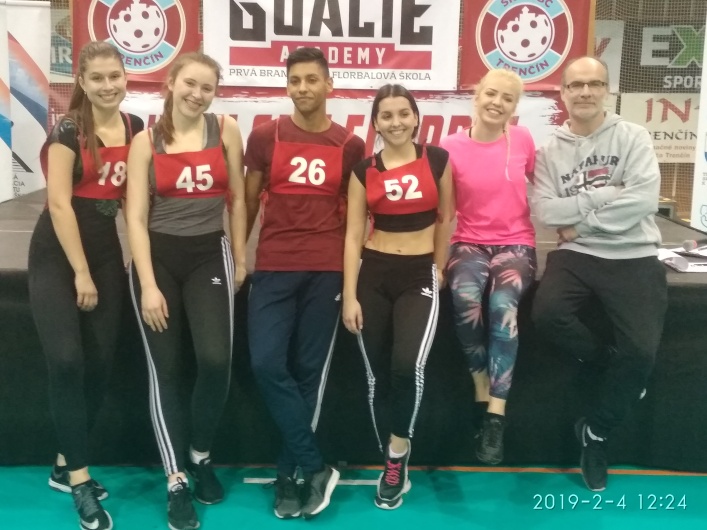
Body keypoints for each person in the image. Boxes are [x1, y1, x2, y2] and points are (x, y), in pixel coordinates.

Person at [531, 56, 667, 492]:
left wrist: (582, 222)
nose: (585, 92)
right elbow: (545, 211)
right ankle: (608, 363)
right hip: (576, 254)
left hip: (634, 253)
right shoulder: (549, 152)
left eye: (594, 84)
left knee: (641, 355)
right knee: (547, 314)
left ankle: (596, 433)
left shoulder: (633, 137)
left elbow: (643, 201)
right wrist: (607, 194)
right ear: (563, 93)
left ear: (606, 90)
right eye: (576, 85)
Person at [126, 52, 246, 530]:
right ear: (171, 83)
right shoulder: (145, 142)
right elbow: (135, 217)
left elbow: (238, 198)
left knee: (215, 361)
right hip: (158, 258)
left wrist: (241, 256)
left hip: (208, 255)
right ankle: (176, 480)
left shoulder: (226, 130)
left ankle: (200, 454)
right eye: (190, 84)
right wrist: (148, 285)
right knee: (166, 372)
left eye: (207, 88)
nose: (198, 94)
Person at [244, 47, 365, 519]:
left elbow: (355, 216)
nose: (302, 88)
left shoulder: (350, 145)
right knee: (266, 363)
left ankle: (287, 475)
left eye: (312, 79)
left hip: (325, 269)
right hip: (274, 265)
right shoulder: (265, 136)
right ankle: (315, 465)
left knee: (309, 373)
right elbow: (247, 201)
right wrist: (237, 255)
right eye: (295, 80)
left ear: (329, 84)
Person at [28, 41, 143, 530]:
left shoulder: (137, 128)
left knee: (98, 366)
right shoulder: (68, 131)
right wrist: (80, 271)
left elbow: (135, 202)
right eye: (97, 78)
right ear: (82, 82)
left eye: (114, 75)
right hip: (58, 255)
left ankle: (63, 463)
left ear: (126, 77)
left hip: (105, 252)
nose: (107, 85)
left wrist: (144, 264)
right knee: (67, 361)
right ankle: (79, 480)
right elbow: (58, 205)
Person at [342, 84, 453, 509]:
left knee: (408, 365)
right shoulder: (363, 171)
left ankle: (399, 450)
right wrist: (349, 294)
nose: (396, 122)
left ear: (416, 117)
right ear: (375, 123)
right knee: (377, 378)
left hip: (418, 274)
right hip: (374, 273)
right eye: (386, 115)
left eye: (403, 113)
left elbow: (446, 218)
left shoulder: (437, 159)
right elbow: (353, 235)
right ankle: (390, 460)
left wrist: (438, 267)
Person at [439, 69, 537, 465]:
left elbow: (547, 187)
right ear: (477, 96)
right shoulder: (450, 146)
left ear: (515, 107)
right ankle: (481, 389)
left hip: (517, 244)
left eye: (507, 98)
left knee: (502, 305)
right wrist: (435, 261)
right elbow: (445, 210)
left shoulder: (524, 140)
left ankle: (495, 414)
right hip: (469, 242)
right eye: (491, 94)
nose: (497, 103)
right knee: (464, 299)